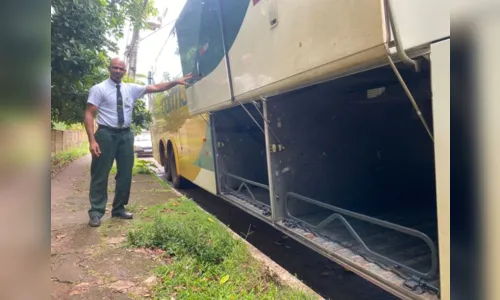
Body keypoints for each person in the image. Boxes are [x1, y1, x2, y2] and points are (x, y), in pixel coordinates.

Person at [83, 57, 192, 227]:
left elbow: (155, 87)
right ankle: (96, 211)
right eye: (115, 68)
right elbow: (89, 113)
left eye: (121, 69)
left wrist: (175, 82)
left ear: (125, 71)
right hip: (105, 134)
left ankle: (119, 209)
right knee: (100, 174)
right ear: (109, 68)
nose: (118, 71)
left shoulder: (131, 89)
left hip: (125, 135)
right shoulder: (99, 89)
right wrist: (92, 140)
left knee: (125, 174)